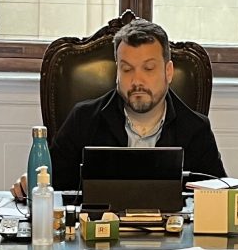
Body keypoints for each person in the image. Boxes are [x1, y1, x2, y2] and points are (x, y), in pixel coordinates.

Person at [34, 18, 226, 193]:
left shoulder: (195, 129)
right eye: (127, 69)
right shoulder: (83, 119)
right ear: (117, 73)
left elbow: (219, 198)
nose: (137, 80)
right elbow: (49, 184)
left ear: (168, 72)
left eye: (148, 68)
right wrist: (31, 184)